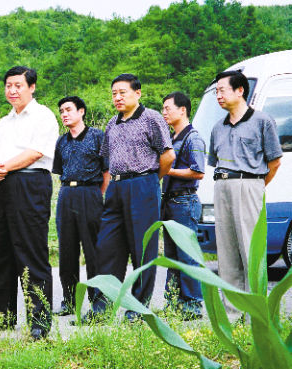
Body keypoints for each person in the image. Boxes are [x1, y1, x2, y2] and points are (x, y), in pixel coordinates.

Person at [0, 66, 59, 340]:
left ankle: (39, 321)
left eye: (18, 85)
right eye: (8, 85)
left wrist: (2, 168)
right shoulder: (3, 122)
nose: (12, 90)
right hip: (0, 186)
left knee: (30, 252)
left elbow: (36, 153)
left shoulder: (43, 116)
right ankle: (0, 317)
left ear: (31, 87)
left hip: (30, 184)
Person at [91, 73, 175, 322]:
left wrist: (149, 180)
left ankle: (137, 309)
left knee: (142, 247)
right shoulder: (111, 123)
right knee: (106, 247)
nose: (117, 97)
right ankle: (102, 308)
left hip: (143, 184)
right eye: (114, 93)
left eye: (122, 92)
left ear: (137, 93)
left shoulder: (151, 118)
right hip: (116, 188)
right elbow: (107, 159)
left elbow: (168, 155)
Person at [208, 70, 282, 296]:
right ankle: (232, 313)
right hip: (222, 186)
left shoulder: (262, 121)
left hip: (249, 184)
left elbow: (275, 162)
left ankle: (256, 310)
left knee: (251, 249)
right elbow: (215, 161)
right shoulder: (217, 127)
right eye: (216, 91)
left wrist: (255, 186)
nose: (218, 95)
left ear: (240, 91)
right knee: (227, 252)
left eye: (222, 90)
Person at [52, 96, 109, 316]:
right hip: (67, 194)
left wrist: (96, 195)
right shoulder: (61, 141)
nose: (64, 114)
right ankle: (69, 301)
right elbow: (59, 171)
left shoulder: (97, 136)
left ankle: (98, 301)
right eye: (61, 111)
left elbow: (106, 172)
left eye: (68, 110)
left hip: (90, 193)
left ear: (81, 111)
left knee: (93, 250)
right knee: (67, 252)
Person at [161, 92, 206, 319]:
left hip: (184, 201)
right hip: (169, 202)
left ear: (183, 110)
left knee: (187, 255)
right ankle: (174, 302)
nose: (164, 112)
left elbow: (198, 172)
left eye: (168, 108)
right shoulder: (171, 138)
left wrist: (167, 170)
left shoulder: (193, 137)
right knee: (172, 255)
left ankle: (192, 305)